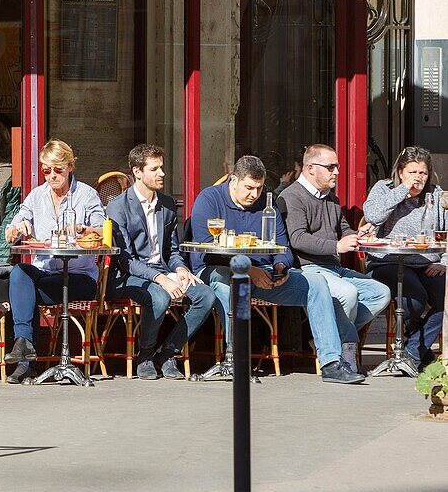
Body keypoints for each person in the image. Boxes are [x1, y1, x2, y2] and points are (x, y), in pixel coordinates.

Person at [189, 155, 364, 384]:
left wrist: (281, 267)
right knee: (228, 285)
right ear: (234, 180)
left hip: (263, 272)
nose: (254, 194)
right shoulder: (209, 198)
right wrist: (250, 270)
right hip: (219, 269)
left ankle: (331, 363)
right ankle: (236, 362)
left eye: (259, 188)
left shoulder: (267, 205)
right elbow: (206, 248)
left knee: (317, 284)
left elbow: (283, 246)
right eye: (249, 188)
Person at [106, 144, 215, 380]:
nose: (162, 173)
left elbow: (172, 250)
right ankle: (145, 356)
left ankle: (167, 353)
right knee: (159, 295)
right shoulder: (118, 206)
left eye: (162, 168)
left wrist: (180, 268)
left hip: (163, 270)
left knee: (206, 296)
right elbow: (125, 261)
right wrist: (161, 279)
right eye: (155, 169)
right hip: (127, 276)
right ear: (137, 172)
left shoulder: (166, 204)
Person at [278, 144, 390, 373]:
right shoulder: (291, 196)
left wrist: (357, 236)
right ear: (310, 168)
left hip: (333, 268)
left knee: (380, 293)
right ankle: (339, 351)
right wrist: (337, 246)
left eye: (337, 166)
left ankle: (326, 335)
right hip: (307, 269)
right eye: (331, 167)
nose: (336, 172)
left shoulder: (331, 198)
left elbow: (344, 228)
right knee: (348, 294)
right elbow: (297, 239)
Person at [2, 139, 104, 384]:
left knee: (26, 292)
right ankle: (24, 344)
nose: (51, 175)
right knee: (19, 273)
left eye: (57, 169)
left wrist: (84, 230)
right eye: (46, 170)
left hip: (80, 276)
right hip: (47, 271)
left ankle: (26, 362)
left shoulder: (87, 195)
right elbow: (11, 230)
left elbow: (103, 232)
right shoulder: (36, 196)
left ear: (69, 166)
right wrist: (17, 229)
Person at [362, 146, 446, 372]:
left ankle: (410, 353)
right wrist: (402, 191)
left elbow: (446, 233)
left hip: (426, 262)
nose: (418, 178)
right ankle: (420, 351)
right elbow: (373, 215)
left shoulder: (436, 195)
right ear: (400, 172)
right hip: (387, 260)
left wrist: (443, 262)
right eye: (412, 173)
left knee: (445, 299)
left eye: (423, 173)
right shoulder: (384, 189)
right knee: (416, 297)